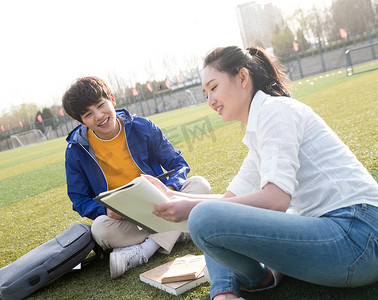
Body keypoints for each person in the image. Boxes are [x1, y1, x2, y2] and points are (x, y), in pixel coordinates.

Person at [144, 46, 378, 299]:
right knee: (205, 218)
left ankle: (235, 288)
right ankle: (235, 291)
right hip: (337, 237)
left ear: (243, 78)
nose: (210, 101)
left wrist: (190, 208)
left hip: (358, 235)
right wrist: (170, 196)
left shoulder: (276, 112)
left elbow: (275, 200)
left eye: (214, 88)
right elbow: (227, 204)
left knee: (202, 218)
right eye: (205, 93)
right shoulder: (258, 131)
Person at [61, 76, 211, 279]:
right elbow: (79, 198)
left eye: (100, 105)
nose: (98, 116)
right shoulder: (76, 150)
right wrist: (106, 210)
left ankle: (145, 250)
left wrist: (171, 190)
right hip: (127, 220)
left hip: (164, 205)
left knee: (199, 185)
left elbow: (178, 164)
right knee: (100, 229)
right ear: (82, 122)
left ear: (112, 99)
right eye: (88, 114)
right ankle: (182, 232)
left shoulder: (143, 127)